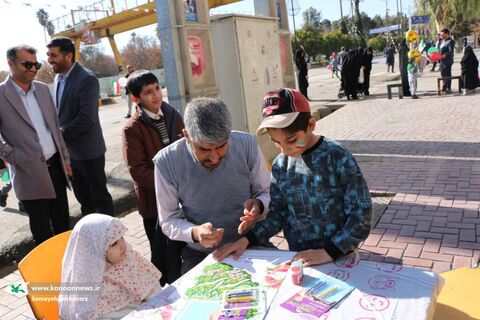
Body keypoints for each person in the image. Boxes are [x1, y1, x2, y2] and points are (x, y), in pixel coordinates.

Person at [213, 88, 372, 266]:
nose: (285, 149)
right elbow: (278, 214)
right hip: (299, 257)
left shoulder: (336, 156)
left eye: (292, 140)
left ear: (311, 125)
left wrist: (331, 251)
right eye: (277, 142)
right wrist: (247, 239)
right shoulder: (281, 166)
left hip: (340, 255)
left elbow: (361, 214)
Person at [153, 97, 270, 275]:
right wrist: (195, 232)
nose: (214, 158)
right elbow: (168, 220)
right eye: (204, 149)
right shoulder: (166, 161)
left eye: (222, 146)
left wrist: (259, 205)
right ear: (186, 136)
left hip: (250, 242)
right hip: (201, 253)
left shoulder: (248, 144)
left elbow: (265, 192)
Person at [0, 45, 72, 245]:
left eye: (36, 64)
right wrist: (15, 158)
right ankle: (48, 275)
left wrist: (65, 158)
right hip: (28, 173)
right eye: (27, 64)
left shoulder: (41, 89)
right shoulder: (1, 95)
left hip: (56, 167)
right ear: (10, 63)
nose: (33, 69)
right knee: (42, 233)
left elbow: (55, 127)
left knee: (62, 226)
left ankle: (66, 272)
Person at [122, 70, 185, 284]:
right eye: (148, 92)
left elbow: (188, 149)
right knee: (162, 254)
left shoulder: (174, 116)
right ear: (135, 98)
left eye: (157, 88)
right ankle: (165, 293)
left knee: (184, 249)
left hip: (183, 198)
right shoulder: (132, 128)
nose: (156, 95)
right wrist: (170, 187)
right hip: (154, 204)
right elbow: (138, 170)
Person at [47, 37, 114, 216]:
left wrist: (57, 136)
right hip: (71, 154)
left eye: (53, 55)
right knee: (84, 201)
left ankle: (112, 239)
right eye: (48, 55)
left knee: (99, 200)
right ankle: (91, 239)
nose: (49, 59)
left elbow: (86, 119)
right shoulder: (58, 79)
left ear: (68, 56)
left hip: (89, 153)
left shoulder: (87, 79)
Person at [59, 214, 162, 319]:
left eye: (121, 237)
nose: (122, 245)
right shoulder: (86, 280)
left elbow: (153, 288)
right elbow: (86, 314)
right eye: (114, 243)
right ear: (95, 249)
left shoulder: (128, 258)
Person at [439, 28, 455, 94]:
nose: (441, 36)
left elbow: (451, 52)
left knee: (447, 74)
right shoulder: (442, 41)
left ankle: (449, 88)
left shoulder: (451, 41)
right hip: (441, 61)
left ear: (447, 34)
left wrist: (444, 55)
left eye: (442, 34)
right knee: (443, 74)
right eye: (441, 34)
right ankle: (444, 86)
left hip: (448, 61)